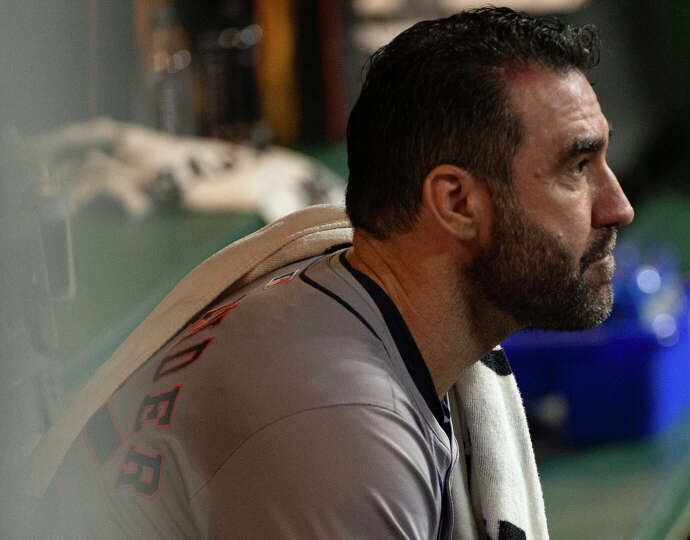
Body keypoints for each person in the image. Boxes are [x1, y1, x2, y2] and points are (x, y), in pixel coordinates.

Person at [35, 6, 633, 539]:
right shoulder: (339, 432)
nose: (618, 206)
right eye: (578, 167)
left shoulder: (348, 315)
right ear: (456, 203)